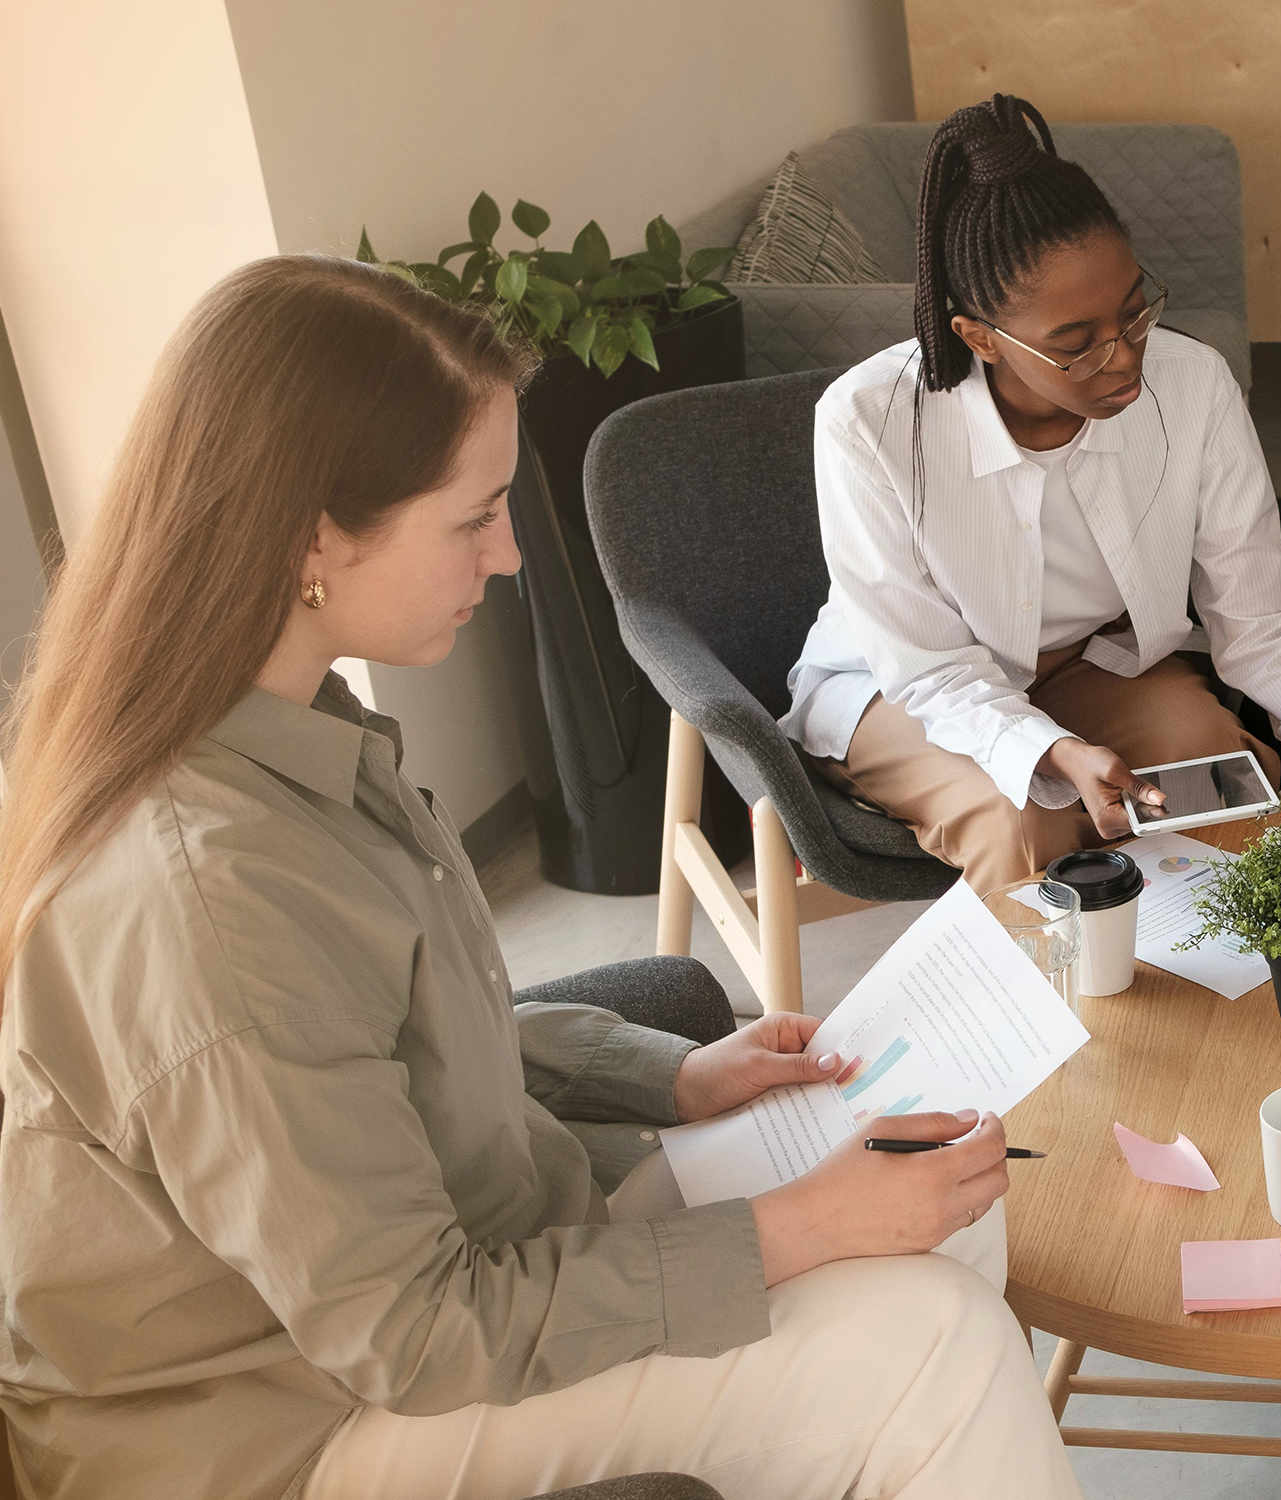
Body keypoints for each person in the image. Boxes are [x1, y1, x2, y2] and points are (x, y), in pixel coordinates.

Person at [0, 256, 1082, 1500]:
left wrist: (672, 1073)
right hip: (293, 1423)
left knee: (933, 1183)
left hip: (465, 1258)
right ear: (313, 536)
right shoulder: (209, 901)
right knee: (928, 1346)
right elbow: (414, 1334)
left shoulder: (296, 734)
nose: (510, 557)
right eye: (473, 517)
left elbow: (406, 1041)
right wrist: (804, 1230)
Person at [784, 95, 1281, 892]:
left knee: (1222, 784)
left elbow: (1263, 626)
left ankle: (1226, 1007)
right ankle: (1064, 1016)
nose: (1125, 358)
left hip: (1093, 664)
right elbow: (925, 670)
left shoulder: (1191, 384)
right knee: (1023, 818)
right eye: (1075, 344)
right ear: (980, 338)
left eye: (1133, 314)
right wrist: (1050, 750)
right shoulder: (869, 423)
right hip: (904, 688)